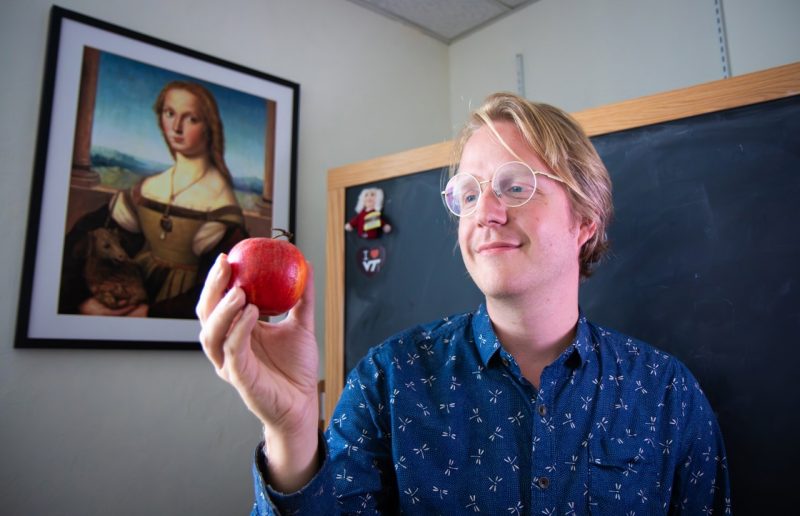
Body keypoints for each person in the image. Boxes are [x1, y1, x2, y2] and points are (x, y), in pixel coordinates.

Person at [197, 92, 731, 514]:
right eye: (469, 194)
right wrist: (290, 433)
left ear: (585, 222)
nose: (485, 213)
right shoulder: (388, 381)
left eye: (515, 187)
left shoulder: (666, 397)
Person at [60, 80, 247, 319]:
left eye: (191, 118)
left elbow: (227, 284)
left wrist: (150, 313)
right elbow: (89, 241)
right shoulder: (148, 187)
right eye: (170, 114)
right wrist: (83, 300)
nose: (176, 127)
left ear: (209, 126)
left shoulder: (221, 201)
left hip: (180, 305)